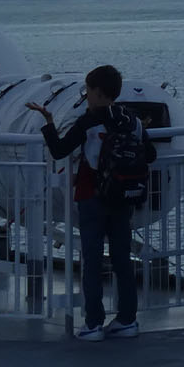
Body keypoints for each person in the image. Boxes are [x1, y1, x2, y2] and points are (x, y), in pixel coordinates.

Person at [32, 65, 156, 342]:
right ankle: (127, 320)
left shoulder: (88, 121)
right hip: (123, 197)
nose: (86, 95)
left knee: (91, 260)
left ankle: (93, 324)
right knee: (122, 259)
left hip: (92, 196)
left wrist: (49, 122)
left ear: (97, 92)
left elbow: (60, 150)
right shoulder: (131, 120)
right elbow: (149, 154)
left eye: (87, 90)